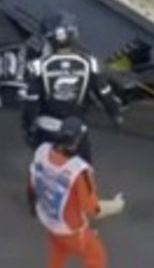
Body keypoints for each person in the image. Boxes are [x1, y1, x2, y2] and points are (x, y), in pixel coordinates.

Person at [28, 116, 124, 268]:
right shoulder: (79, 171)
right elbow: (92, 209)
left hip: (49, 219)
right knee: (97, 261)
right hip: (72, 230)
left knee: (58, 257)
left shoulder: (42, 152)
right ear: (78, 141)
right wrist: (116, 206)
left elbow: (32, 184)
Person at [19, 12, 123, 163]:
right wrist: (116, 116)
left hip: (46, 129)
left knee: (43, 171)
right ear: (73, 35)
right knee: (82, 172)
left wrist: (28, 127)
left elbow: (31, 103)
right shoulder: (89, 63)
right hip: (76, 130)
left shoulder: (38, 67)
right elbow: (105, 93)